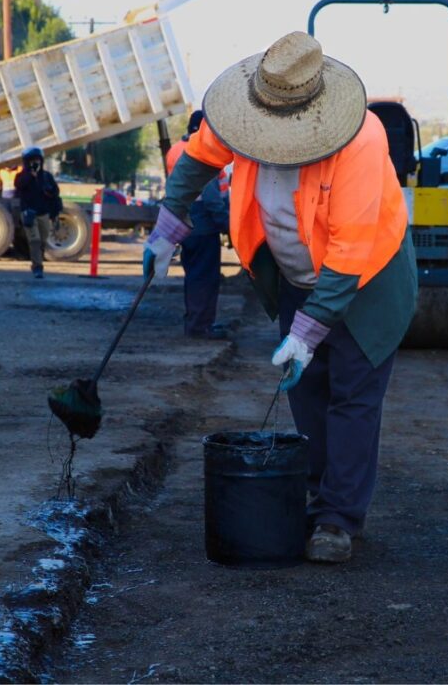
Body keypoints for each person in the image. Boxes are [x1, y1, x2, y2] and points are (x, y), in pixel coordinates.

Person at [143, 32, 417, 563]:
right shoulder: (248, 115)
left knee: (352, 399)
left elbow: (350, 249)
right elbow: (198, 157)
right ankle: (315, 496)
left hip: (367, 285)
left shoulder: (359, 141)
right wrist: (168, 225)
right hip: (295, 277)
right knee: (306, 391)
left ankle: (338, 521)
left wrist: (308, 332)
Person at [165, 110, 230, 339]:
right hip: (204, 223)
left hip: (186, 221)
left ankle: (194, 322)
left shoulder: (176, 150)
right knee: (205, 277)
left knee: (193, 275)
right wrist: (226, 224)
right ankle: (200, 326)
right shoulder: (204, 152)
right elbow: (211, 196)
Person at [14, 146, 61, 279]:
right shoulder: (21, 176)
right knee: (34, 240)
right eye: (31, 161)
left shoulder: (46, 176)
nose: (35, 164)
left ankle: (38, 260)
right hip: (29, 213)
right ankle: (37, 267)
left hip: (43, 213)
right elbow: (19, 186)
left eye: (37, 161)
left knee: (42, 240)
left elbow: (55, 194)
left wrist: (55, 214)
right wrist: (30, 175)